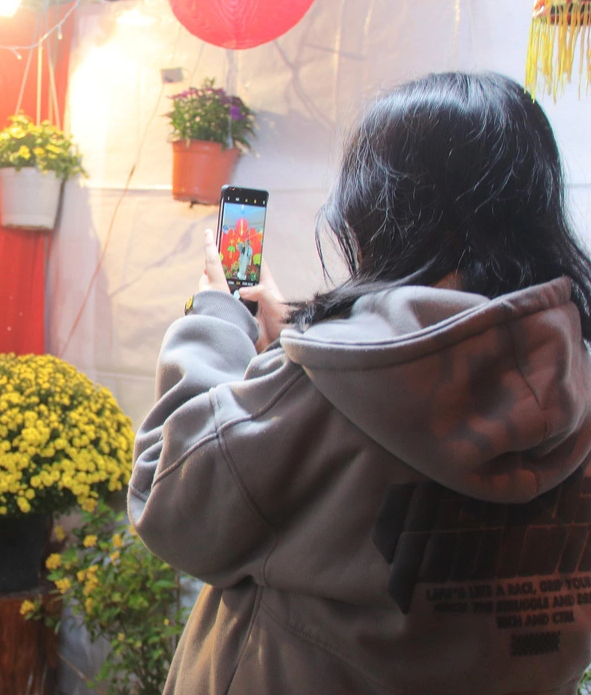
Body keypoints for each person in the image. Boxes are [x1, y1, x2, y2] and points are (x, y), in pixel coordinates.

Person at [129, 71, 591, 694]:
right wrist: (302, 342)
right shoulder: (575, 384)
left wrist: (218, 315)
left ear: (383, 208)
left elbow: (170, 493)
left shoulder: (325, 393)